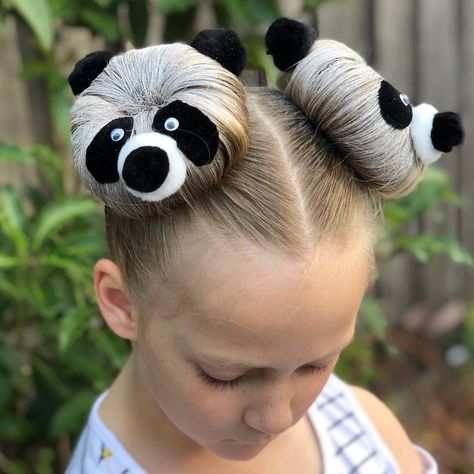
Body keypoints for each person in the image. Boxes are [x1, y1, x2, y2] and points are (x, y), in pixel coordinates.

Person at [65, 17, 464, 474]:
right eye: (226, 376)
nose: (278, 418)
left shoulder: (367, 432)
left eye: (317, 365)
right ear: (122, 304)